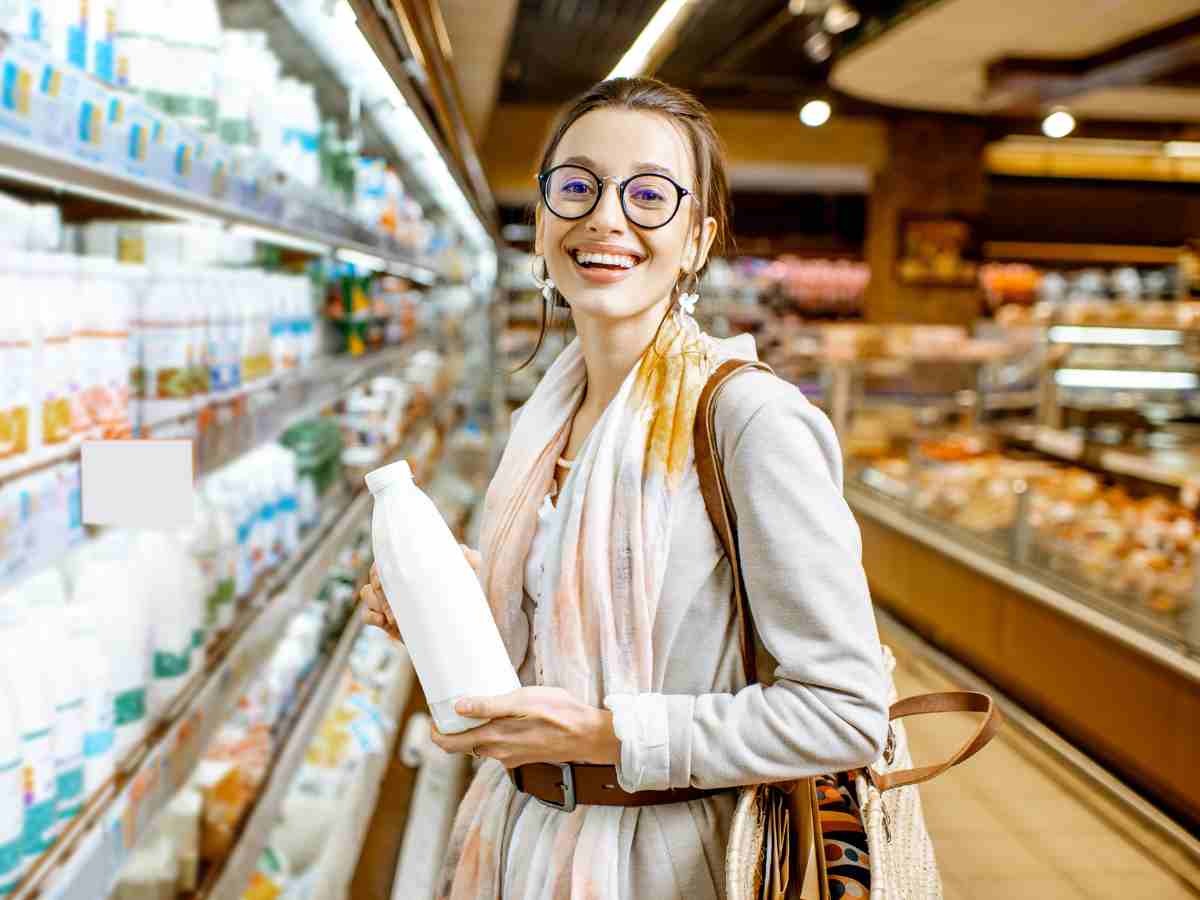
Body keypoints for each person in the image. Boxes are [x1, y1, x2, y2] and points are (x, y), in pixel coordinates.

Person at [359, 76, 889, 900]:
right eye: (577, 186)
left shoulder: (746, 419)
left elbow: (845, 711)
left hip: (668, 865)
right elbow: (561, 653)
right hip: (522, 844)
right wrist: (450, 612)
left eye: (649, 195)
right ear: (540, 218)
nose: (606, 217)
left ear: (699, 239)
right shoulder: (547, 418)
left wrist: (610, 737)